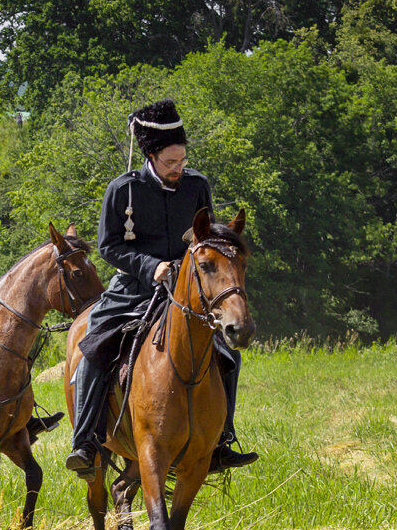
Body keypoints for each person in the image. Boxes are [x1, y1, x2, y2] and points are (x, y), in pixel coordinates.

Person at [65, 99, 258, 478]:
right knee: (92, 349)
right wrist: (152, 267)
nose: (178, 169)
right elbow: (108, 245)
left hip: (187, 290)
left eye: (182, 160)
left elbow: (205, 239)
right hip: (133, 287)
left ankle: (221, 440)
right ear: (151, 156)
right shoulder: (123, 189)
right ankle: (85, 440)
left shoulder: (197, 185)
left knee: (228, 357)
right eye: (171, 163)